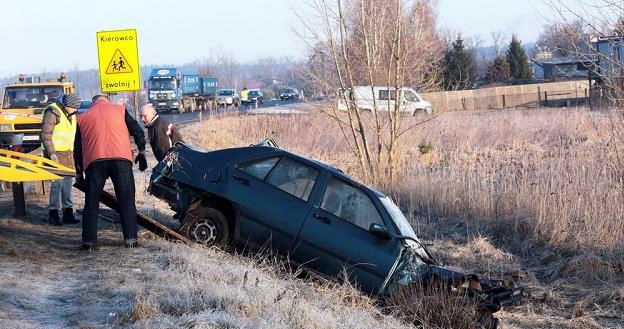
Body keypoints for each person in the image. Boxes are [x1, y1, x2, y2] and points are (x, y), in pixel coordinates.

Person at [74, 95, 147, 251]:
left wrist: (79, 173)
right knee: (126, 200)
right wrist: (141, 151)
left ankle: (89, 242)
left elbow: (77, 149)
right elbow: (138, 131)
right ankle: (131, 240)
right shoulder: (120, 110)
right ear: (106, 100)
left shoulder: (83, 117)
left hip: (94, 161)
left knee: (91, 203)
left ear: (93, 103)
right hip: (121, 159)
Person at [40, 93, 82, 226]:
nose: (75, 110)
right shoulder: (53, 111)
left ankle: (67, 212)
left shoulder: (72, 114)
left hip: (67, 153)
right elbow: (45, 134)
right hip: (55, 153)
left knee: (68, 182)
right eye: (73, 108)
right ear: (66, 105)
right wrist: (51, 153)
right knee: (57, 183)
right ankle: (53, 213)